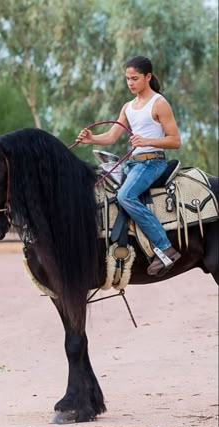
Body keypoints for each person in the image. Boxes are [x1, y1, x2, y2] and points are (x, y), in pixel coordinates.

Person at [77, 55, 181, 276]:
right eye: (127, 79)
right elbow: (112, 136)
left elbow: (175, 140)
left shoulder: (159, 103)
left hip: (153, 162)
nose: (130, 83)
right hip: (133, 164)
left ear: (148, 77)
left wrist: (146, 141)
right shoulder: (128, 107)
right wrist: (92, 138)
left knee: (126, 196)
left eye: (135, 78)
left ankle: (165, 249)